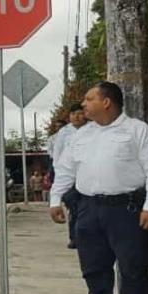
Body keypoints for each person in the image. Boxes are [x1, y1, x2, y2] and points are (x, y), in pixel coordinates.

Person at [49, 81, 148, 294]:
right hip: (88, 209)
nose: (84, 104)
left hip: (125, 210)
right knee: (94, 269)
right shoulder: (81, 135)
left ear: (107, 102)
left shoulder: (137, 131)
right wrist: (55, 199)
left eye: (89, 99)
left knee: (133, 268)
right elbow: (66, 169)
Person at [49, 103, 89, 248]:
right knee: (74, 206)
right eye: (73, 114)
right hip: (67, 175)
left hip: (87, 177)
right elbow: (57, 154)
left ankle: (84, 237)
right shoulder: (64, 132)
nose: (76, 117)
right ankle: (74, 237)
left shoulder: (93, 129)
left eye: (79, 113)